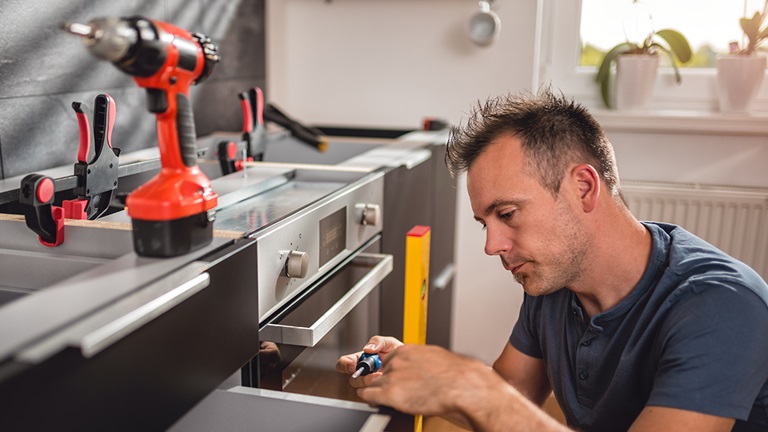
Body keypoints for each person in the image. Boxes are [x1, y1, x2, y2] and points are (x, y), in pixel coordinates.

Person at [336, 88, 768, 431]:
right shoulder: (555, 280)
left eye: (506, 214)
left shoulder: (721, 305)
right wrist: (423, 376)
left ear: (583, 188)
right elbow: (512, 395)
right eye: (484, 222)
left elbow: (498, 401)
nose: (492, 245)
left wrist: (475, 386)